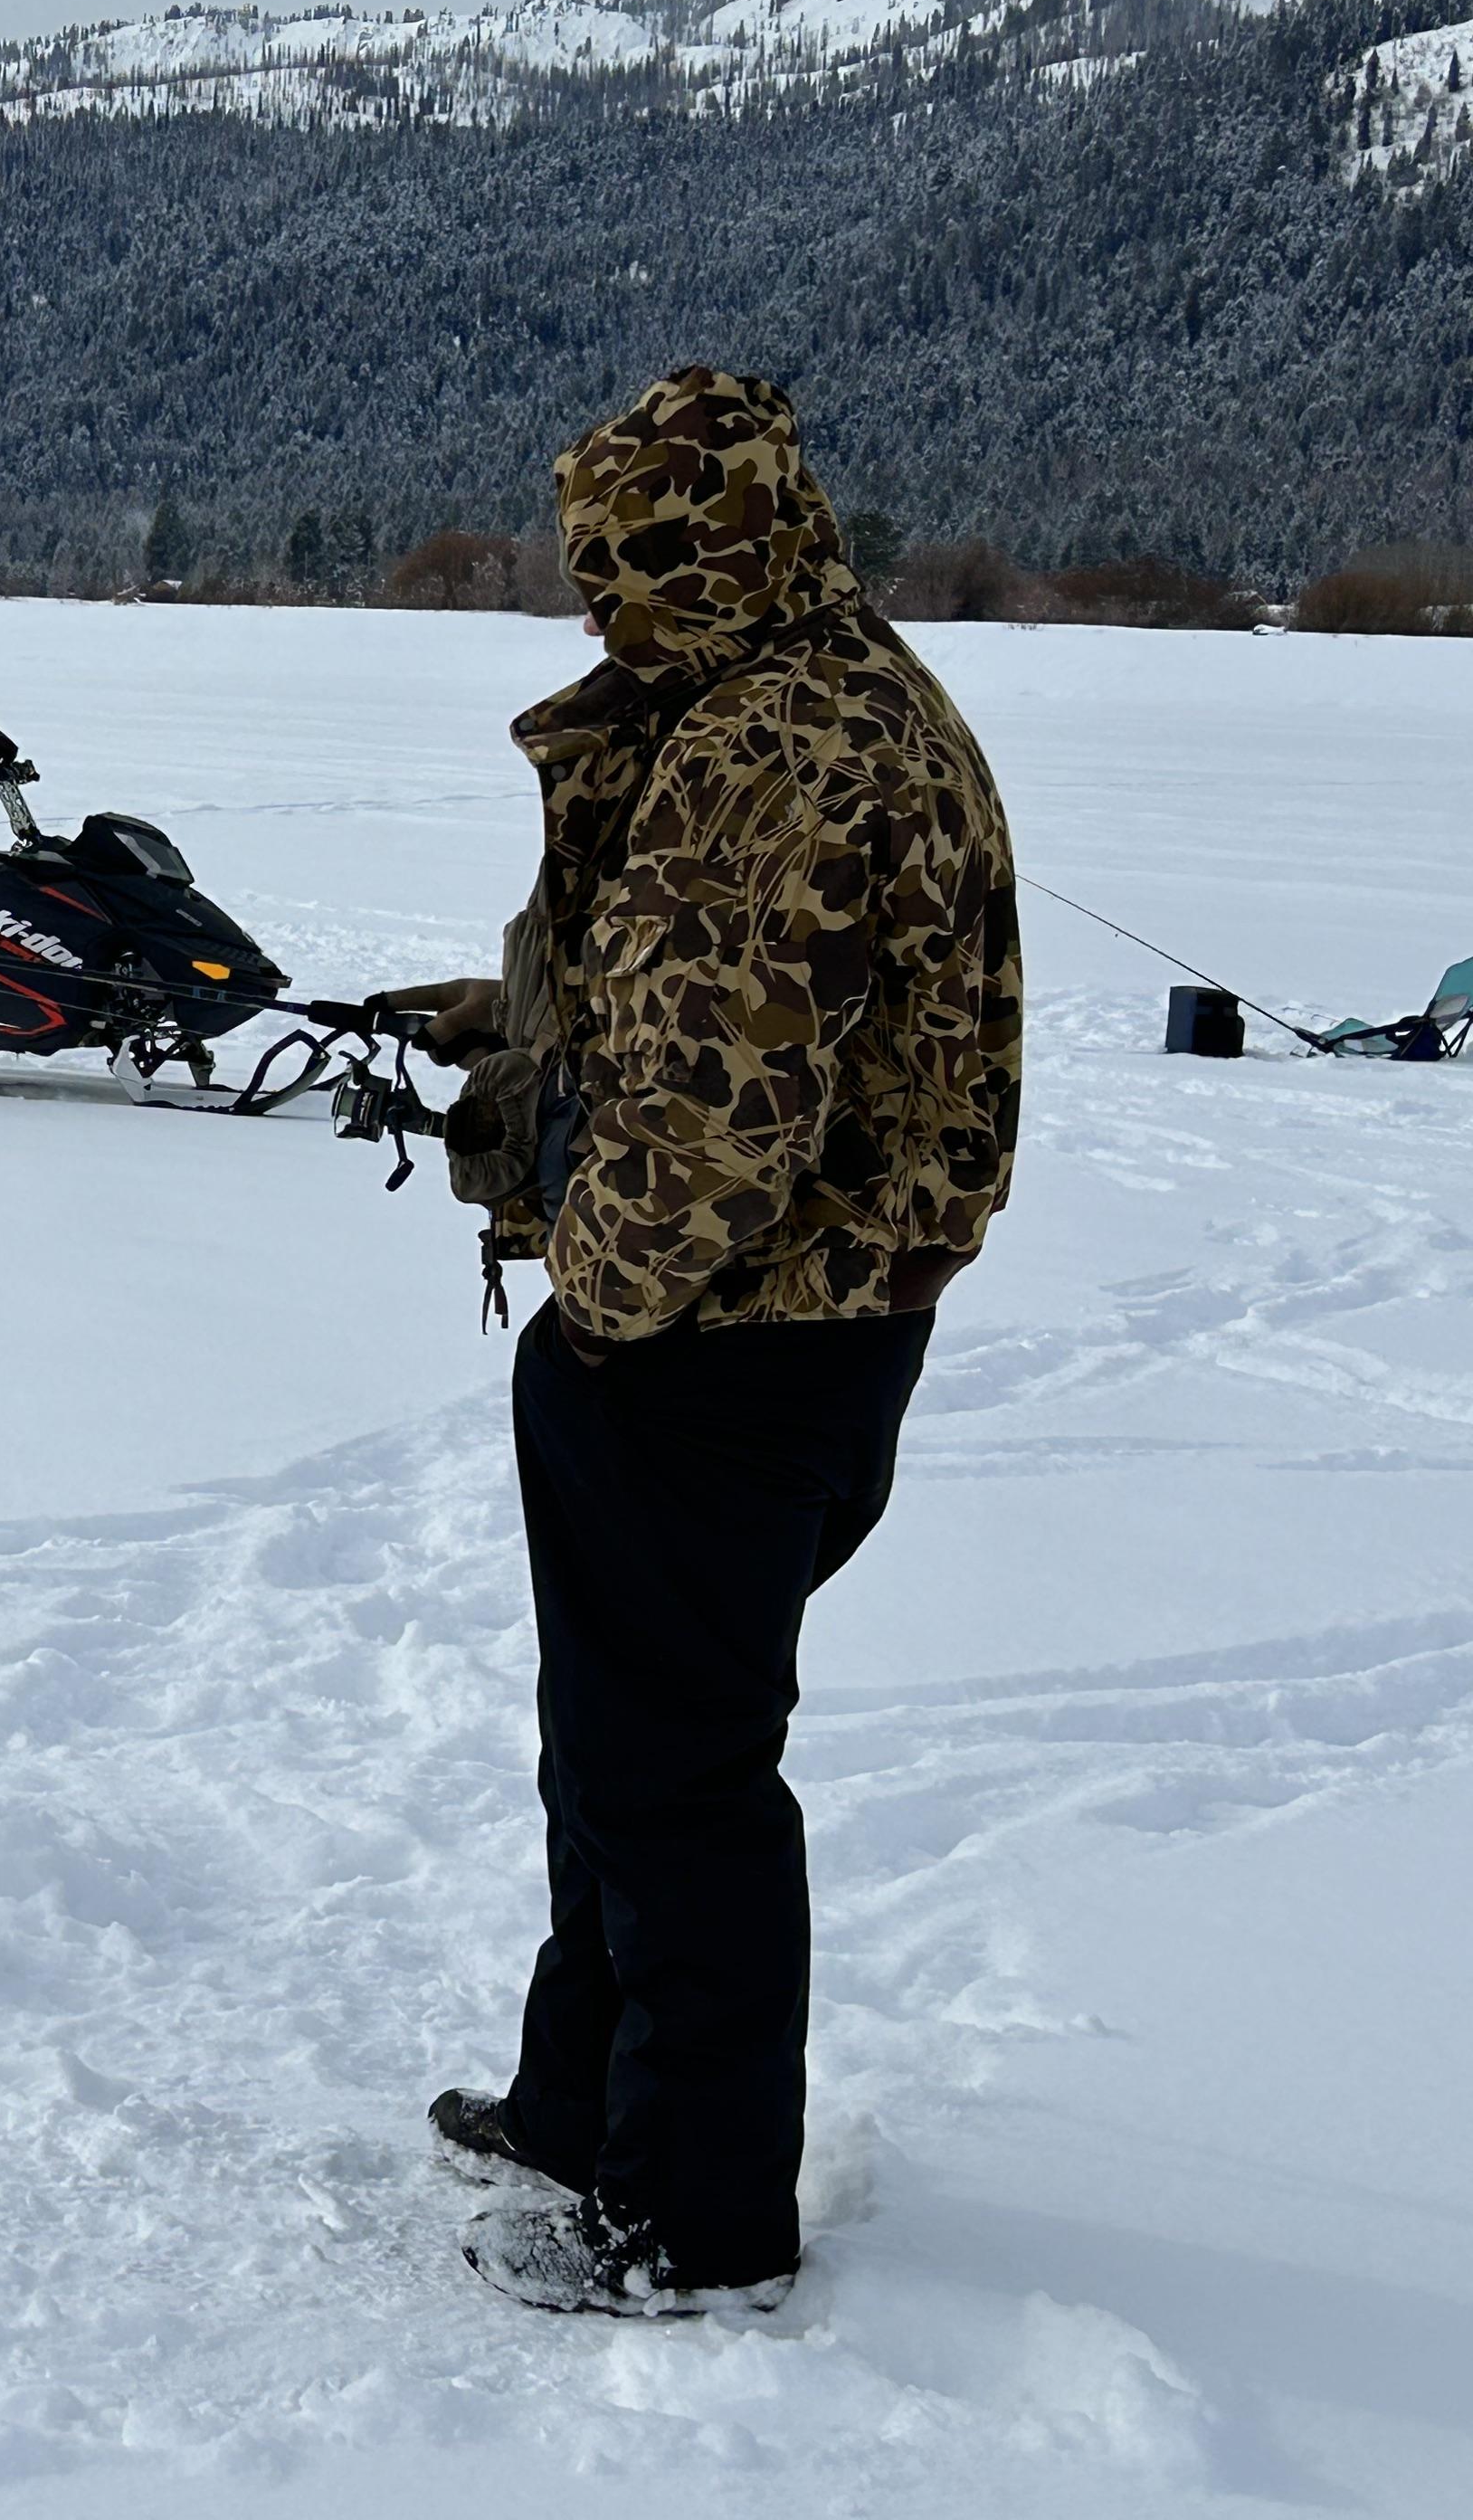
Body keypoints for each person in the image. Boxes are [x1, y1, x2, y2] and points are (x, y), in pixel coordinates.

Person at [386, 368, 1022, 2317]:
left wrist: (592, 1295)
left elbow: (714, 1120)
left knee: (678, 1782)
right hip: (773, 1333)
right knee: (626, 1748)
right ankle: (583, 2107)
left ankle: (698, 2223)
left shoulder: (784, 743)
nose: (597, 608)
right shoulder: (812, 690)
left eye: (629, 566)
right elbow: (711, 1025)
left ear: (720, 543)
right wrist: (523, 1049)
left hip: (720, 1349)